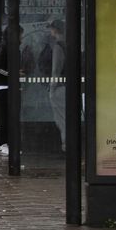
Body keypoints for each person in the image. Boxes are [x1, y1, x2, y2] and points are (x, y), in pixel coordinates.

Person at [48, 19, 66, 152]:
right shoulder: (70, 44)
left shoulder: (58, 46)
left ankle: (66, 146)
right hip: (69, 87)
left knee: (61, 119)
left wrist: (51, 89)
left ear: (55, 30)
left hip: (60, 88)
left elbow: (56, 70)